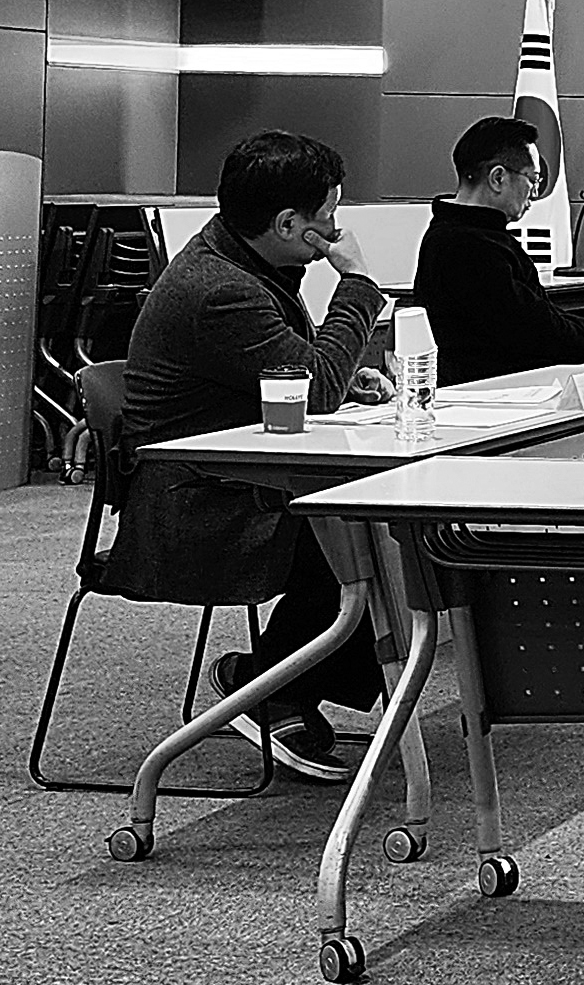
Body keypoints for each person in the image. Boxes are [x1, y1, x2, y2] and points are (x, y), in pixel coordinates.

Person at [105, 130, 392, 782]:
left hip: (237, 475)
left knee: (376, 531)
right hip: (194, 507)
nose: (335, 232)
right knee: (363, 536)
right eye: (328, 218)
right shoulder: (220, 289)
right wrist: (359, 283)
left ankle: (267, 677)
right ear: (288, 224)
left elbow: (293, 373)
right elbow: (314, 388)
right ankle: (273, 689)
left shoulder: (242, 259)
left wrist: (342, 378)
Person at [411, 116, 584, 384]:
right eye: (533, 179)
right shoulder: (466, 245)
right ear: (498, 178)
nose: (534, 193)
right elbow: (530, 329)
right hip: (489, 393)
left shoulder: (469, 233)